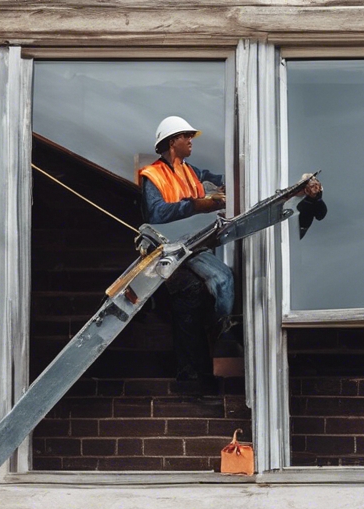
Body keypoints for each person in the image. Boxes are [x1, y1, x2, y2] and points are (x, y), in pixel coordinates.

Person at [139, 116, 324, 396]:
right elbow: (156, 214)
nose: (191, 141)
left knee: (223, 282)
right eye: (185, 136)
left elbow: (226, 183)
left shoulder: (191, 171)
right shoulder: (152, 176)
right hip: (171, 249)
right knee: (218, 282)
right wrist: (199, 205)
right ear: (170, 142)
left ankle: (218, 331)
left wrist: (289, 190)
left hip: (195, 245)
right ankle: (217, 337)